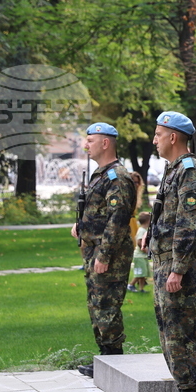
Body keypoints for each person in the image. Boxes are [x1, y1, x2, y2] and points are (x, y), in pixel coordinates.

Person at [150, 111, 196, 392]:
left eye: (158, 134)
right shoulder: (174, 171)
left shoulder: (189, 172)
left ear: (173, 137)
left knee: (182, 339)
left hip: (179, 271)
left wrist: (177, 270)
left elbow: (189, 226)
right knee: (170, 338)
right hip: (166, 267)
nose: (154, 140)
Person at [69, 122, 136, 378]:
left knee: (106, 306)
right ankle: (105, 359)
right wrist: (82, 225)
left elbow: (118, 219)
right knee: (96, 304)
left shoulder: (116, 176)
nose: (86, 145)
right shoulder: (101, 173)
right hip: (94, 250)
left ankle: (112, 361)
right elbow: (101, 212)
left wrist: (104, 254)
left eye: (90, 141)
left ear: (105, 143)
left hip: (109, 253)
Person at [129, 211, 152, 293]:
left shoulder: (144, 230)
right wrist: (145, 249)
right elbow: (139, 241)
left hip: (143, 256)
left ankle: (141, 289)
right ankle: (131, 285)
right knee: (139, 273)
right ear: (148, 221)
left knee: (143, 273)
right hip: (139, 256)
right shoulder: (141, 230)